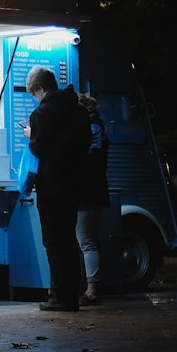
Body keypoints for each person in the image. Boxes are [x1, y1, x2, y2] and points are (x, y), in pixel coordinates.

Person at [23, 66, 91, 311]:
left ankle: (59, 296)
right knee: (69, 238)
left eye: (33, 93)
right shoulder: (80, 111)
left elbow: (40, 149)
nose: (34, 98)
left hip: (52, 184)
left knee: (53, 241)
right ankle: (72, 294)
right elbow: (85, 143)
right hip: (74, 182)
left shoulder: (41, 113)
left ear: (40, 88)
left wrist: (32, 136)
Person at [75, 92, 110, 305]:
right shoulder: (96, 129)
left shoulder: (94, 131)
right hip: (91, 191)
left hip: (88, 191)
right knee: (86, 241)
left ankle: (92, 290)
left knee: (87, 242)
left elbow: (90, 158)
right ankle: (90, 286)